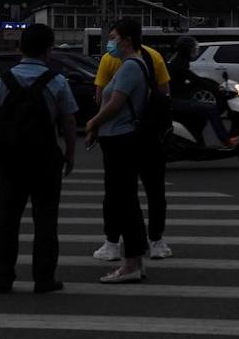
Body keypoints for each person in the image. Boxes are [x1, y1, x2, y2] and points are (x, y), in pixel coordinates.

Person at [0, 23, 78, 295]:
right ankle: (44, 279)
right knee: (46, 221)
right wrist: (69, 154)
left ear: (20, 48)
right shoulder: (57, 80)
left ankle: (2, 279)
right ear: (49, 50)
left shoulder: (3, 80)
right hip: (45, 159)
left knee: (6, 221)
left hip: (10, 159)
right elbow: (69, 122)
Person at [85, 18, 162, 283]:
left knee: (124, 201)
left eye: (114, 36)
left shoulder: (131, 66)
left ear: (127, 39)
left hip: (120, 139)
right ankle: (135, 261)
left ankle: (130, 265)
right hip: (120, 138)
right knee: (127, 200)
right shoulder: (133, 64)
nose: (111, 41)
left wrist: (93, 123)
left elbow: (115, 103)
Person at [167, 35, 236, 147]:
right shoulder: (178, 64)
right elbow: (197, 80)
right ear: (185, 50)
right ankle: (225, 140)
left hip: (178, 99)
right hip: (176, 102)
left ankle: (198, 143)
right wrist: (217, 89)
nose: (194, 52)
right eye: (192, 49)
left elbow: (191, 81)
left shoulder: (179, 61)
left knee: (201, 117)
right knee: (210, 108)